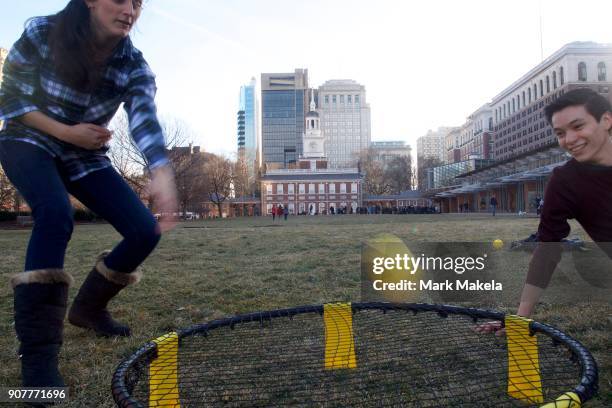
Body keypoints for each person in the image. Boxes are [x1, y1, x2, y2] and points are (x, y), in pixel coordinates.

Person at [0, 0, 178, 388]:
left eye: (138, 3)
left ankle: (89, 309)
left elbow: (144, 117)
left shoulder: (133, 64)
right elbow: (10, 99)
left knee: (144, 231)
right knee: (54, 214)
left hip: (85, 154)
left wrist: (160, 169)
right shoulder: (42, 32)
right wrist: (66, 131)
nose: (130, 10)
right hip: (27, 138)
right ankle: (38, 360)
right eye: (119, 0)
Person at [477, 88, 612, 335]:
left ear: (606, 120)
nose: (569, 139)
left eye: (578, 126)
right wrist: (520, 319)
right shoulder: (565, 182)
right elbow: (546, 251)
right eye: (560, 133)